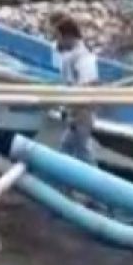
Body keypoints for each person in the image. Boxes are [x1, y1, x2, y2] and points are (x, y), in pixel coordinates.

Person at [54, 16, 100, 165]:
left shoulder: (83, 57)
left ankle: (96, 184)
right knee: (69, 149)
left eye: (58, 37)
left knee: (82, 151)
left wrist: (73, 108)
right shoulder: (72, 56)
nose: (57, 42)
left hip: (82, 114)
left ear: (67, 36)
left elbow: (88, 85)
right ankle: (63, 184)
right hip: (75, 113)